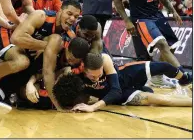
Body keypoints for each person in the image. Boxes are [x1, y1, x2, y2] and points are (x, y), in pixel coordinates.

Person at [53, 52, 192, 112]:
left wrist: (93, 107)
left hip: (127, 76)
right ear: (84, 71)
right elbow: (47, 76)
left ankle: (185, 81)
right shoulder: (74, 75)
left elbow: (115, 89)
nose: (96, 79)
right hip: (122, 95)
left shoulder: (104, 59)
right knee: (161, 100)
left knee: (164, 66)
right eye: (92, 77)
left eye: (99, 75)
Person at [10, 0, 82, 111]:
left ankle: (25, 90)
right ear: (60, 11)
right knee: (22, 61)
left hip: (34, 68)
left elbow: (50, 70)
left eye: (76, 16)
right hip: (13, 50)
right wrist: (45, 46)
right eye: (69, 13)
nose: (73, 19)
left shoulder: (70, 36)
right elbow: (15, 38)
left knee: (65, 68)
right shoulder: (41, 16)